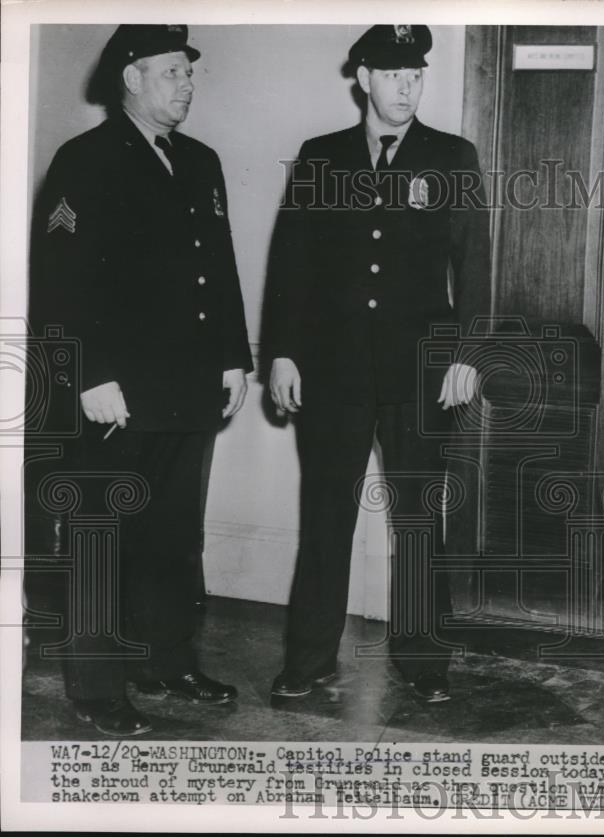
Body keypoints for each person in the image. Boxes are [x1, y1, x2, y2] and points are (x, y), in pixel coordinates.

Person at [28, 24, 253, 735]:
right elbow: (59, 283)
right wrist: (91, 376)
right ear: (131, 78)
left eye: (189, 73)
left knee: (174, 534)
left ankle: (166, 660)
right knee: (104, 535)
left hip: (188, 386)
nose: (185, 85)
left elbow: (217, 266)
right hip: (117, 391)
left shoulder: (201, 161)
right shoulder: (85, 160)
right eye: (170, 73)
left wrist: (233, 357)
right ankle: (95, 687)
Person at [262, 25, 491, 704]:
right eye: (392, 75)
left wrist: (470, 355)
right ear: (363, 78)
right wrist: (280, 351)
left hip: (419, 372)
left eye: (415, 75)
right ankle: (308, 659)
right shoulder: (320, 159)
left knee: (420, 519)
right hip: (331, 371)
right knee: (326, 515)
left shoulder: (452, 157)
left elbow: (474, 265)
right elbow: (291, 266)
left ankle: (425, 664)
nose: (406, 88)